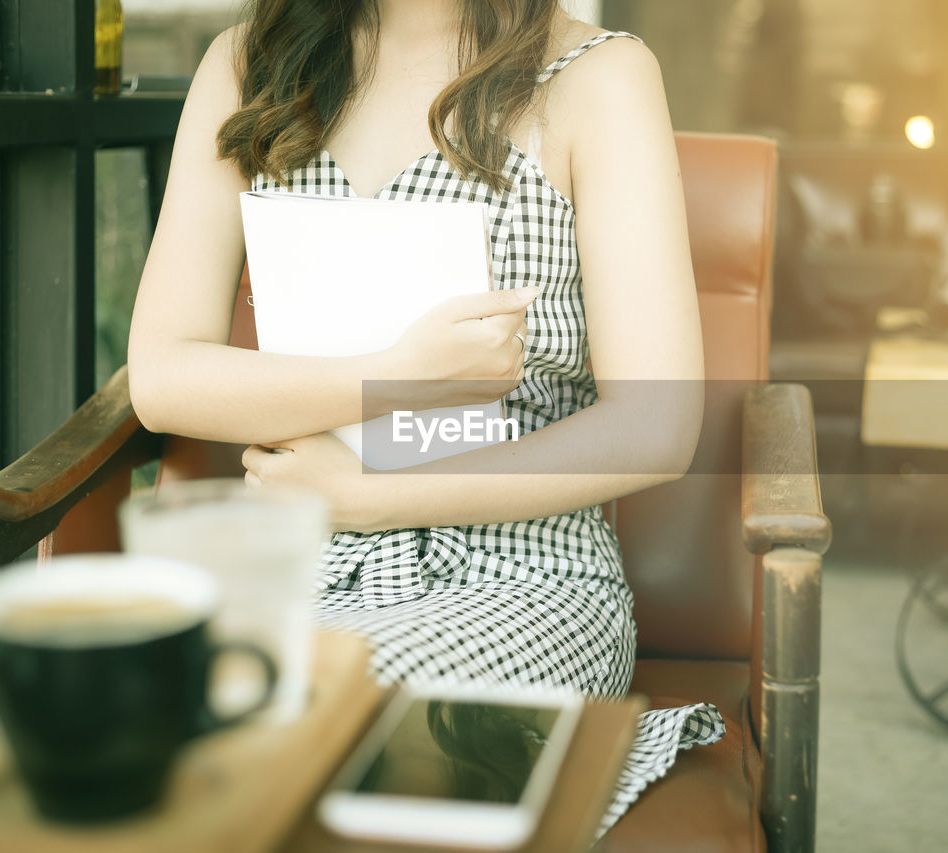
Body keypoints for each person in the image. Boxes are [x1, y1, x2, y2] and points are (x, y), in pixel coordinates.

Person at [126, 0, 721, 832]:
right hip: (289, 562)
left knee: (331, 733)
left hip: (520, 574)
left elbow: (657, 426)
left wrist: (377, 495)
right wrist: (394, 377)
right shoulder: (244, 64)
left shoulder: (600, 77)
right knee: (141, 743)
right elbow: (163, 374)